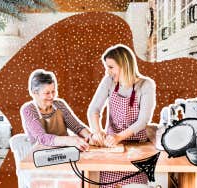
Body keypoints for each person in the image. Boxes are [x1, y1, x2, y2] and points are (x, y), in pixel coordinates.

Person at [87, 44, 156, 187]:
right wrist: (97, 131)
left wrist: (118, 137)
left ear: (124, 65)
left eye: (111, 67)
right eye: (106, 67)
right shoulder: (108, 81)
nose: (108, 72)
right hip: (112, 149)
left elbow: (143, 121)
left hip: (137, 148)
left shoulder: (145, 85)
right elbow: (93, 109)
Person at [21, 69, 92, 151]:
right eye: (47, 93)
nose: (52, 96)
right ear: (35, 93)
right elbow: (42, 138)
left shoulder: (59, 105)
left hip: (66, 153)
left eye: (53, 91)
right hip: (42, 156)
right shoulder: (29, 110)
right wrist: (69, 140)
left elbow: (77, 127)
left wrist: (90, 137)